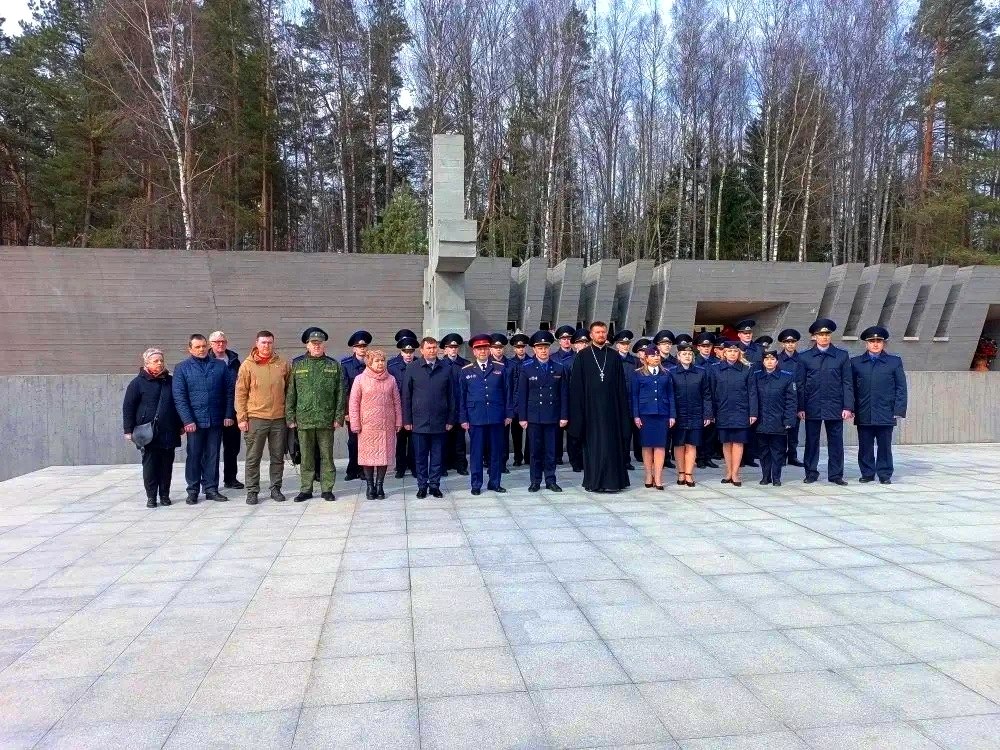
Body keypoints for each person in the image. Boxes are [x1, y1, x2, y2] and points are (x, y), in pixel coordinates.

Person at [172, 334, 236, 504]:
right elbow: (179, 397)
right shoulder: (182, 368)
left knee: (213, 455)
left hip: (215, 419)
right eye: (197, 347)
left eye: (203, 346)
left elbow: (229, 392)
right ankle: (193, 490)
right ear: (190, 349)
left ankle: (211, 488)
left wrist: (228, 414)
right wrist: (187, 420)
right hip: (195, 422)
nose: (201, 349)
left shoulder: (220, 366)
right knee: (194, 455)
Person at [568, 321, 631, 492]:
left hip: (612, 410)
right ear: (591, 335)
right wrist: (578, 413)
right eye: (597, 332)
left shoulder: (614, 356)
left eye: (603, 332)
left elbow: (620, 386)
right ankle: (594, 482)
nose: (601, 335)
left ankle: (613, 482)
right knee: (594, 448)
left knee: (611, 446)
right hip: (590, 410)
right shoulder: (583, 356)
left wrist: (622, 412)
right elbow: (576, 387)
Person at [286, 327, 344, 503]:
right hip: (304, 419)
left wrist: (338, 417)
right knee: (306, 457)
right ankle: (306, 489)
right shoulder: (298, 366)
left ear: (324, 345)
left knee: (327, 456)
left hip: (326, 419)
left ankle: (327, 489)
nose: (317, 346)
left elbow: (340, 393)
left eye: (319, 343)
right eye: (313, 343)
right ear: (307, 345)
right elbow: (291, 393)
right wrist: (290, 417)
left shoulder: (333, 366)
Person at [236, 330, 292, 505]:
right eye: (263, 342)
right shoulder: (247, 365)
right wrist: (241, 418)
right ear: (257, 343)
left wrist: (289, 415)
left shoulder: (282, 364)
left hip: (278, 418)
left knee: (277, 457)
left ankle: (276, 488)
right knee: (253, 457)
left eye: (269, 342)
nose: (266, 345)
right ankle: (252, 491)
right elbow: (240, 393)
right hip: (256, 418)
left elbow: (289, 390)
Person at [123, 348, 183, 508]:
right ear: (147, 363)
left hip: (169, 430)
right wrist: (128, 430)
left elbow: (178, 404)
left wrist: (181, 424)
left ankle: (164, 495)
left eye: (161, 360)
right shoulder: (137, 383)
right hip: (147, 432)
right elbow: (128, 407)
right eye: (156, 361)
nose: (160, 363)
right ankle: (151, 497)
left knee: (166, 466)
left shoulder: (170, 381)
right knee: (150, 466)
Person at [799, 318, 854, 485]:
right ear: (814, 337)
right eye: (820, 334)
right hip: (812, 405)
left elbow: (847, 383)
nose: (824, 337)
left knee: (836, 442)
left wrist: (848, 406)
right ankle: (811, 473)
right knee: (811, 441)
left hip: (835, 405)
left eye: (827, 334)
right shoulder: (805, 357)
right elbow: (800, 384)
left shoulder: (842, 356)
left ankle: (836, 475)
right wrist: (800, 407)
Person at [851, 326, 907, 484]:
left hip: (886, 411)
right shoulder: (856, 362)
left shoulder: (894, 362)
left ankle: (884, 474)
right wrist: (851, 407)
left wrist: (899, 410)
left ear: (883, 343)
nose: (875, 344)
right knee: (865, 446)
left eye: (879, 341)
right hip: (864, 411)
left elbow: (901, 388)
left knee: (884, 446)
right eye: (872, 341)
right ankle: (867, 473)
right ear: (866, 344)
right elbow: (851, 388)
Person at [459, 334, 513, 495]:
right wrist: (463, 418)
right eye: (479, 349)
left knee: (496, 452)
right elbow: (461, 396)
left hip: (497, 416)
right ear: (474, 352)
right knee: (476, 453)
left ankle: (494, 483)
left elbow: (507, 393)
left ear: (489, 350)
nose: (482, 351)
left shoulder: (500, 368)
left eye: (485, 348)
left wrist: (509, 414)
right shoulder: (466, 371)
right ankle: (476, 484)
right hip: (476, 417)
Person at [402, 336, 455, 498]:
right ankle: (422, 486)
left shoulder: (446, 368)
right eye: (429, 348)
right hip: (419, 421)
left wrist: (450, 419)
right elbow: (406, 396)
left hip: (440, 421)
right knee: (420, 457)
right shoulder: (413, 368)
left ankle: (434, 485)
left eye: (434, 348)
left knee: (438, 456)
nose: (432, 351)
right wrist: (407, 420)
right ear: (422, 350)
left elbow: (452, 395)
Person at [518, 330, 569, 492]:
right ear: (534, 349)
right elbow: (522, 395)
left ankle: (550, 480)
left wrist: (564, 415)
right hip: (534, 416)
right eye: (539, 348)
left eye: (546, 347)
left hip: (552, 415)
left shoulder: (559, 368)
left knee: (551, 451)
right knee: (535, 451)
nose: (543, 350)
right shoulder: (526, 368)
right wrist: (522, 417)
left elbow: (563, 394)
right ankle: (535, 481)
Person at [350, 348, 403, 500]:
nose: (380, 363)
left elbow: (397, 402)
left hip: (386, 426)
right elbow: (354, 403)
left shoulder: (391, 379)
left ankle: (380, 486)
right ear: (369, 363)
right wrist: (355, 424)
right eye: (377, 361)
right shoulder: (360, 379)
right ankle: (370, 486)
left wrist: (398, 420)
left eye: (382, 360)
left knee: (383, 457)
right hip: (367, 427)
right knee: (368, 457)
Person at [711, 341, 758, 486]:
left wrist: (753, 412)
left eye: (735, 351)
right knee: (726, 442)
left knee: (738, 442)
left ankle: (736, 473)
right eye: (729, 351)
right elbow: (711, 392)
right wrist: (711, 412)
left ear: (739, 353)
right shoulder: (715, 369)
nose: (732, 354)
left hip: (741, 410)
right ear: (724, 353)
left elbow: (752, 392)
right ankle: (728, 472)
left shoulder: (747, 369)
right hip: (723, 410)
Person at [667, 341, 713, 487]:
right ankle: (681, 472)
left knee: (692, 444)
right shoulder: (671, 372)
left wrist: (707, 414)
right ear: (678, 356)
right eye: (684, 354)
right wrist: (671, 414)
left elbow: (707, 394)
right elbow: (669, 396)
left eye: (689, 354)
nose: (687, 356)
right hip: (679, 414)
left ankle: (689, 474)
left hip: (696, 413)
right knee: (679, 444)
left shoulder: (700, 372)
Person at [630, 345, 676, 490]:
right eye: (652, 355)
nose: (656, 357)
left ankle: (658, 477)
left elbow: (671, 395)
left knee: (660, 446)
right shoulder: (638, 374)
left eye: (657, 355)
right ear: (646, 358)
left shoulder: (666, 373)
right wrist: (636, 415)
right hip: (645, 414)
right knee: (647, 446)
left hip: (662, 414)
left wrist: (672, 415)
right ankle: (649, 476)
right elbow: (634, 396)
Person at [754, 350, 798, 486]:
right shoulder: (756, 376)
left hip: (779, 421)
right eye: (767, 359)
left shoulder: (787, 377)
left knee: (778, 451)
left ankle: (776, 477)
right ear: (763, 362)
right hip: (761, 421)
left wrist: (789, 420)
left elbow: (791, 401)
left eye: (772, 359)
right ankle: (765, 476)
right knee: (763, 451)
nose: (769, 362)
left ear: (777, 361)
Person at [208, 331, 244, 489]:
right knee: (212, 449)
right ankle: (210, 482)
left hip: (233, 410)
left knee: (232, 447)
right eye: (217, 342)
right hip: (213, 410)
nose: (220, 344)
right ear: (211, 344)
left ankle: (230, 478)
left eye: (222, 341)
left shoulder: (234, 360)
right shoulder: (206, 360)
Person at [341, 330, 372, 481]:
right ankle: (352, 469)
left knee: (366, 441)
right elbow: (344, 390)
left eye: (364, 346)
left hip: (369, 410)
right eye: (359, 347)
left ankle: (364, 470)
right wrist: (345, 412)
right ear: (354, 348)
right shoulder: (346, 365)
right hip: (353, 410)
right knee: (353, 441)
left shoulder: (372, 364)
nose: (362, 349)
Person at [440, 332, 470, 476]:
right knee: (444, 439)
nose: (453, 350)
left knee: (459, 440)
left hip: (459, 407)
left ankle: (461, 465)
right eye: (450, 347)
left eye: (455, 347)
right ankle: (444, 465)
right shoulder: (439, 365)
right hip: (444, 408)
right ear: (445, 349)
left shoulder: (465, 365)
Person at [389, 336, 418, 479]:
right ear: (401, 352)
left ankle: (414, 467)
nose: (408, 355)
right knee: (400, 440)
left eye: (411, 351)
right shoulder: (392, 366)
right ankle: (400, 468)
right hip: (399, 409)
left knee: (414, 440)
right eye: (406, 352)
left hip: (415, 408)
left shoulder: (419, 364)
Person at [777, 329, 805, 467]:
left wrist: (801, 407)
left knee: (794, 432)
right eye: (787, 342)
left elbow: (804, 383)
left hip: (796, 400)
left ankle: (792, 456)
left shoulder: (802, 359)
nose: (790, 344)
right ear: (783, 344)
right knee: (781, 431)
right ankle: (781, 457)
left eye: (792, 342)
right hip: (780, 401)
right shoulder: (777, 359)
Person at [693, 331, 721, 469]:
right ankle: (699, 457)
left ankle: (708, 457)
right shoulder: (694, 362)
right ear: (698, 347)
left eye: (708, 346)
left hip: (714, 401)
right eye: (703, 346)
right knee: (700, 430)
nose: (706, 348)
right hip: (699, 401)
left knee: (711, 432)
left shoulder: (716, 362)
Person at [551, 325, 577, 464]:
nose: (566, 341)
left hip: (573, 399)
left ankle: (574, 458)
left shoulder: (578, 357)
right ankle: (557, 456)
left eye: (569, 338)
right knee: (556, 431)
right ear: (559, 341)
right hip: (557, 399)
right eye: (563, 338)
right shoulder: (553, 358)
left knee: (572, 431)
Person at [565, 328, 590, 472]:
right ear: (575, 345)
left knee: (588, 433)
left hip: (590, 403)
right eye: (580, 343)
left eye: (586, 342)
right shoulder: (568, 362)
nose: (583, 345)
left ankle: (586, 460)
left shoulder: (594, 360)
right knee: (574, 433)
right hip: (573, 403)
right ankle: (575, 461)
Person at [488, 333, 512, 473]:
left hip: (504, 407)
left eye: (500, 347)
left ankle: (502, 463)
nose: (498, 350)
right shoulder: (486, 364)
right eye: (495, 347)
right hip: (489, 407)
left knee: (503, 437)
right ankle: (489, 462)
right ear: (490, 349)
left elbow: (513, 388)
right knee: (489, 438)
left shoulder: (511, 365)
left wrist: (510, 409)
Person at [508, 332, 532, 467]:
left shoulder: (532, 361)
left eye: (522, 347)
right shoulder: (510, 363)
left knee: (530, 432)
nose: (521, 349)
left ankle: (528, 456)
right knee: (516, 432)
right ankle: (518, 457)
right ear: (514, 348)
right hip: (515, 403)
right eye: (518, 347)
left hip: (529, 402)